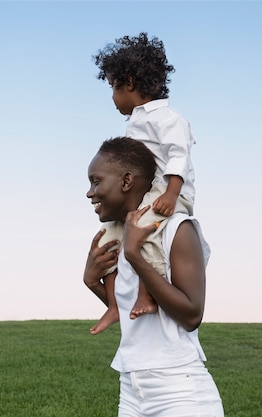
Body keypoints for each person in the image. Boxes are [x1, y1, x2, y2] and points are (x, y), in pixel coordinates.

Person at [83, 137, 224, 417]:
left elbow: (191, 314)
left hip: (179, 391)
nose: (90, 193)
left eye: (96, 181)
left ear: (126, 181)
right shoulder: (120, 236)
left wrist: (136, 256)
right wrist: (92, 282)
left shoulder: (177, 229)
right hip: (132, 387)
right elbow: (134, 313)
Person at [90, 32, 197, 335]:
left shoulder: (167, 118)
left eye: (114, 87)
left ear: (130, 83)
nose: (112, 96)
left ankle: (147, 294)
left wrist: (173, 194)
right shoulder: (136, 121)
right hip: (148, 195)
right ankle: (113, 303)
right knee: (106, 239)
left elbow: (179, 156)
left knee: (143, 235)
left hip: (167, 194)